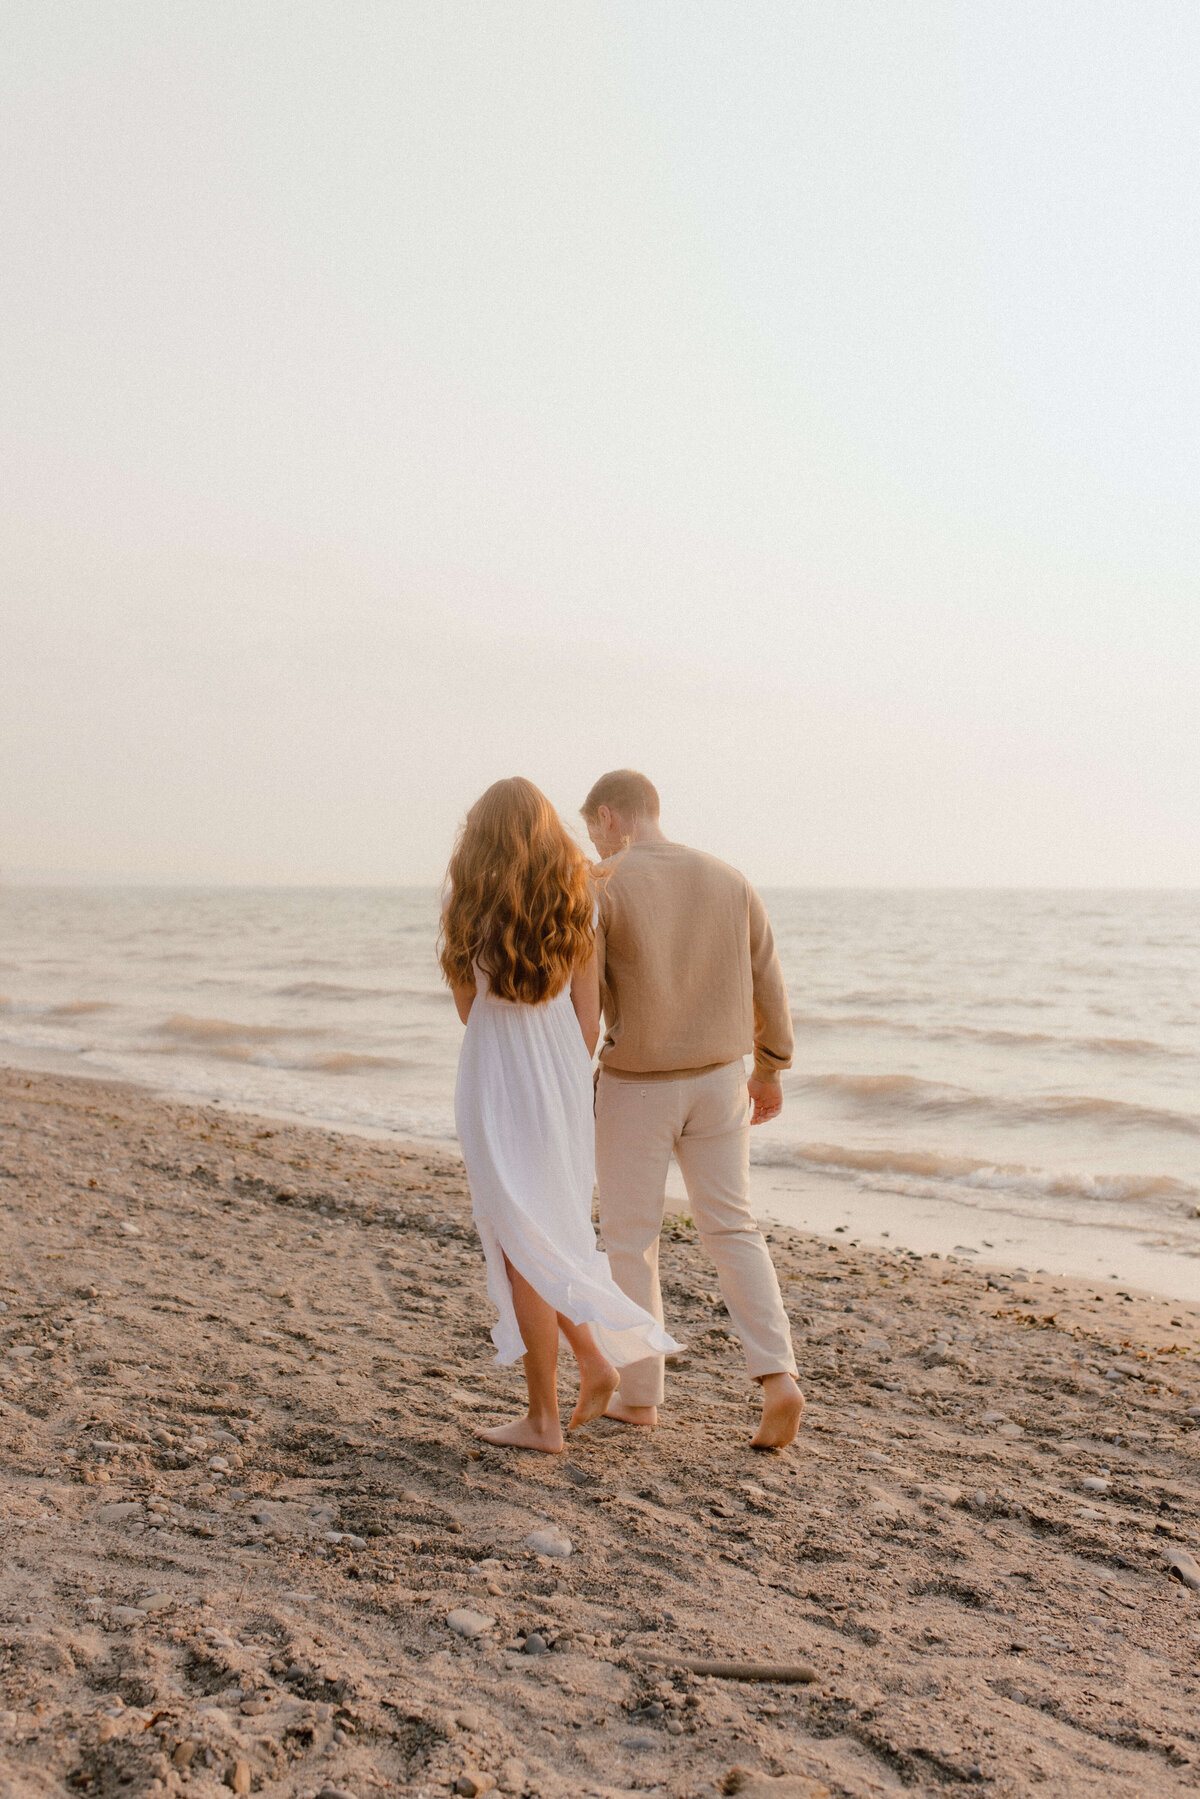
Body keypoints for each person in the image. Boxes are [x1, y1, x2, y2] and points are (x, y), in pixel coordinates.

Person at [440, 776, 680, 1454]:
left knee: (520, 1239)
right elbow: (588, 1014)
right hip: (560, 1079)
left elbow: (467, 1009)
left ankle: (544, 1420)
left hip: (493, 1078)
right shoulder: (580, 900)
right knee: (546, 1229)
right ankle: (597, 1363)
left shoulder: (468, 905)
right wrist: (566, 1084)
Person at [582, 768, 805, 1450]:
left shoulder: (603, 884)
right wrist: (770, 1066)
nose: (590, 838)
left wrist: (566, 1075)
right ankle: (779, 1378)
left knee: (630, 1238)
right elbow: (769, 976)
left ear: (612, 815)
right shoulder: (728, 877)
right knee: (733, 1228)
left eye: (590, 824)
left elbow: (586, 999)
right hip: (719, 1079)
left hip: (638, 1083)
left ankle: (641, 1395)